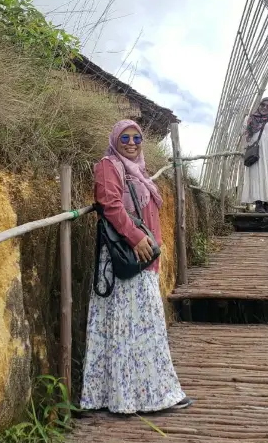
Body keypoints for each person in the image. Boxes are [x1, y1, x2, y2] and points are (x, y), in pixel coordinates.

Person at [80, 119, 194, 414]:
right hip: (126, 257)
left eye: (137, 138)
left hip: (142, 258)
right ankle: (135, 396)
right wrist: (135, 237)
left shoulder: (140, 173)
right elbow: (111, 205)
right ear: (114, 139)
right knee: (130, 327)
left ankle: (147, 393)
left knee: (142, 328)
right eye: (125, 137)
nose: (131, 143)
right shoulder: (108, 165)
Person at [241, 97, 268, 213]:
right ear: (259, 105)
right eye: (263, 105)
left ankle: (267, 204)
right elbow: (244, 134)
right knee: (257, 175)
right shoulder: (250, 119)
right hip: (256, 152)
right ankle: (258, 203)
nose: (265, 107)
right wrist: (245, 117)